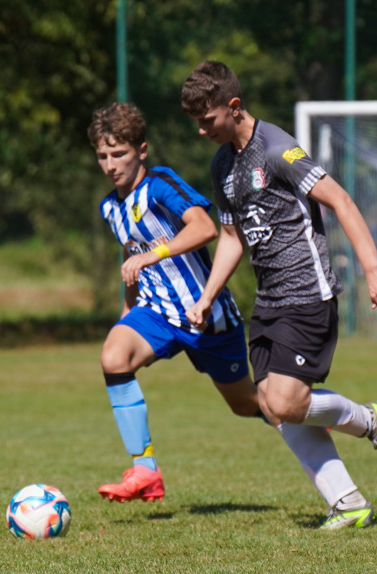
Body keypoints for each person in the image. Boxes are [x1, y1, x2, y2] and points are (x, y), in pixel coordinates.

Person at [181, 60, 377, 529]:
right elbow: (231, 238)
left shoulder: (277, 149)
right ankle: (347, 502)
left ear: (234, 106)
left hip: (308, 293)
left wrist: (371, 268)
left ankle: (370, 420)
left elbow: (340, 200)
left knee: (285, 401)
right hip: (269, 300)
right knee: (270, 406)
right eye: (196, 123)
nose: (202, 130)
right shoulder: (222, 165)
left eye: (208, 120)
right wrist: (206, 297)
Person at [88, 102, 264, 503]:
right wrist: (127, 312)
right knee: (113, 357)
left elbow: (205, 229)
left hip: (207, 316)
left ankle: (310, 414)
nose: (110, 164)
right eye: (103, 155)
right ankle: (146, 470)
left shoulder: (161, 184)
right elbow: (132, 257)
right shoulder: (109, 208)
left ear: (142, 151)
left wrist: (152, 255)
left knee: (248, 404)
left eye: (119, 154)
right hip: (156, 313)